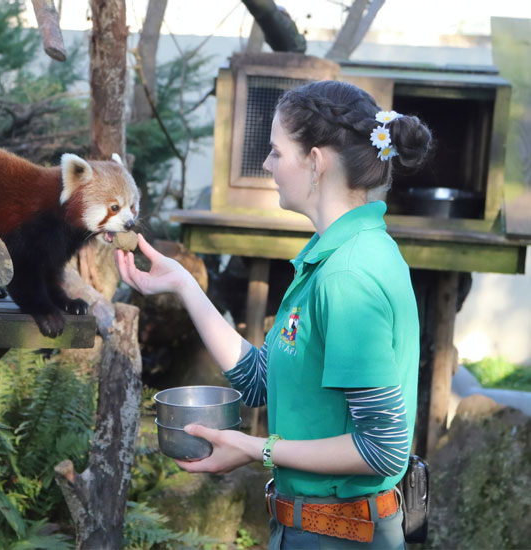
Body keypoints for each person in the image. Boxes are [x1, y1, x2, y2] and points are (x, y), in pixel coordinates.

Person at [116, 80, 432, 549]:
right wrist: (183, 283)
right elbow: (260, 381)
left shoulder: (347, 276)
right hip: (305, 529)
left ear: (316, 161)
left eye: (276, 152)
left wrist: (255, 449)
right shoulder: (330, 257)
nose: (266, 164)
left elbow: (383, 448)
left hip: (341, 537)